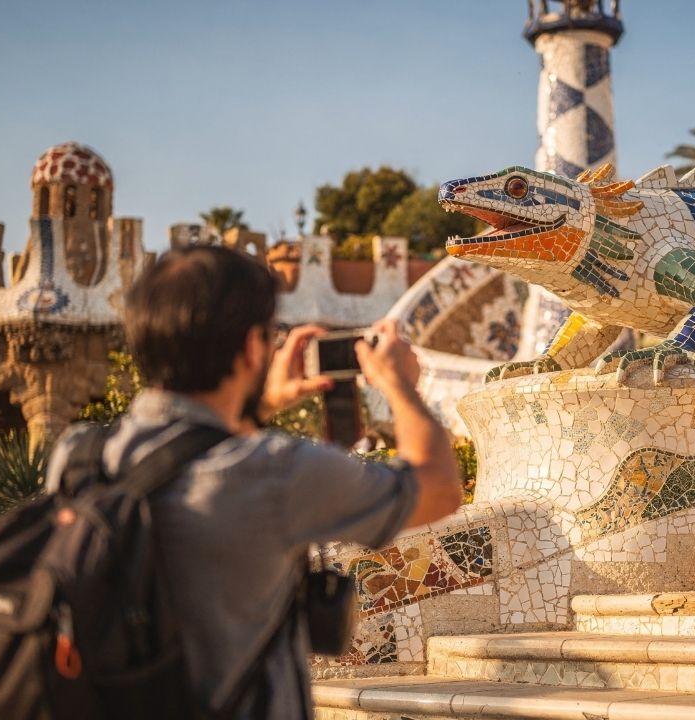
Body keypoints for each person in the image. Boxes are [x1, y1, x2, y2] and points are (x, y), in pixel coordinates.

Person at [43, 245, 463, 718]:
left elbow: (184, 455)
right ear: (251, 347)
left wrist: (257, 405)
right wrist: (399, 385)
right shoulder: (278, 471)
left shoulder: (76, 456)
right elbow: (439, 490)